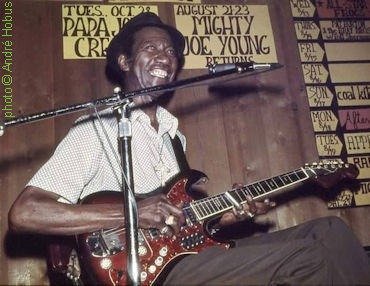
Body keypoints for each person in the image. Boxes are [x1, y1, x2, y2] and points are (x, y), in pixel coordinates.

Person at [8, 12, 370, 285]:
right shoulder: (95, 128)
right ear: (124, 62)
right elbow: (25, 214)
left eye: (170, 51)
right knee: (309, 258)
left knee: (329, 233)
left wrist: (231, 213)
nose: (165, 56)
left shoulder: (173, 137)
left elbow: (181, 221)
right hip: (145, 274)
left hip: (188, 257)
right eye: (151, 48)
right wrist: (133, 212)